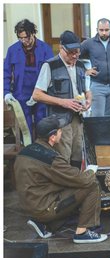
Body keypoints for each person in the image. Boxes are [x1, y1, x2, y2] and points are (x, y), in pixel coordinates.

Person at [14, 115, 107, 243]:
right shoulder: (51, 159)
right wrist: (91, 170)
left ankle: (43, 223)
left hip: (30, 205)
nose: (61, 132)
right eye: (59, 130)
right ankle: (82, 233)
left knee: (71, 187)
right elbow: (82, 180)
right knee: (92, 184)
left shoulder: (25, 151)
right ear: (52, 137)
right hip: (43, 208)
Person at [32, 30, 92, 168]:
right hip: (59, 119)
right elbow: (37, 95)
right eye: (71, 52)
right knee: (63, 154)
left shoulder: (81, 65)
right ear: (61, 48)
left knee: (77, 152)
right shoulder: (50, 66)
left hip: (78, 116)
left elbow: (87, 90)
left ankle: (75, 181)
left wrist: (89, 100)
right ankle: (63, 186)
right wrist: (63, 102)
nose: (74, 55)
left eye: (77, 52)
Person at [3, 19, 54, 140]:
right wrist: (6, 93)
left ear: (33, 33)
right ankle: (28, 150)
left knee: (41, 122)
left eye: (26, 37)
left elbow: (52, 72)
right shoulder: (12, 50)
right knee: (25, 127)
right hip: (21, 93)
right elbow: (6, 73)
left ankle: (41, 149)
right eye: (21, 38)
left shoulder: (45, 49)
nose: (24, 41)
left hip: (41, 93)